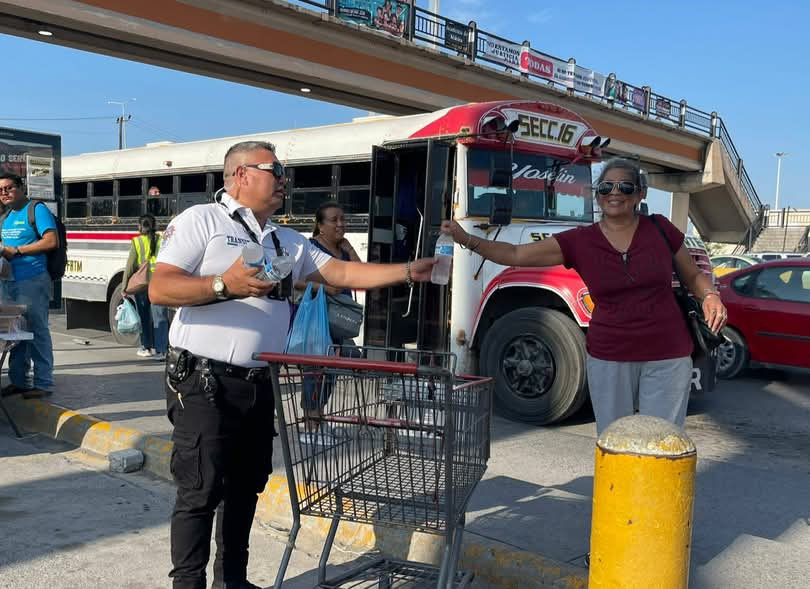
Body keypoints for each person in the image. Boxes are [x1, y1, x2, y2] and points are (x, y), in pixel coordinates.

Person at [149, 140, 435, 589]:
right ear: (241, 174)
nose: (284, 179)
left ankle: (233, 581)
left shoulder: (285, 239)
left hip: (260, 381)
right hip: (202, 381)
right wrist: (225, 285)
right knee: (200, 489)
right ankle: (188, 584)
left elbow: (340, 274)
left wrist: (406, 271)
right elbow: (160, 288)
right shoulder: (201, 221)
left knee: (246, 487)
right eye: (275, 169)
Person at [440, 157, 727, 435]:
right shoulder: (579, 240)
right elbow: (515, 253)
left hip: (668, 355)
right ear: (597, 195)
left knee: (663, 440)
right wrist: (466, 239)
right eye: (606, 187)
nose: (615, 193)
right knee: (615, 441)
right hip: (610, 356)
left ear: (640, 193)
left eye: (625, 187)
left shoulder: (660, 228)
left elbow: (693, 275)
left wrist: (710, 296)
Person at [0, 173, 57, 399]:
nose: (4, 193)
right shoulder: (6, 217)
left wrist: (19, 251)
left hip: (32, 280)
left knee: (37, 330)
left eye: (9, 188)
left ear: (21, 188)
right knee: (15, 332)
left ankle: (43, 383)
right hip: (9, 281)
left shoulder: (36, 209)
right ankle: (19, 381)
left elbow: (51, 241)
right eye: (0, 190)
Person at [122, 213, 169, 360]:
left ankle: (146, 347)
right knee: (160, 317)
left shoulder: (137, 242)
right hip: (159, 283)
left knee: (144, 317)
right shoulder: (162, 240)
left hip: (142, 285)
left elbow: (130, 266)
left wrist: (124, 286)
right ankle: (162, 351)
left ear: (140, 226)